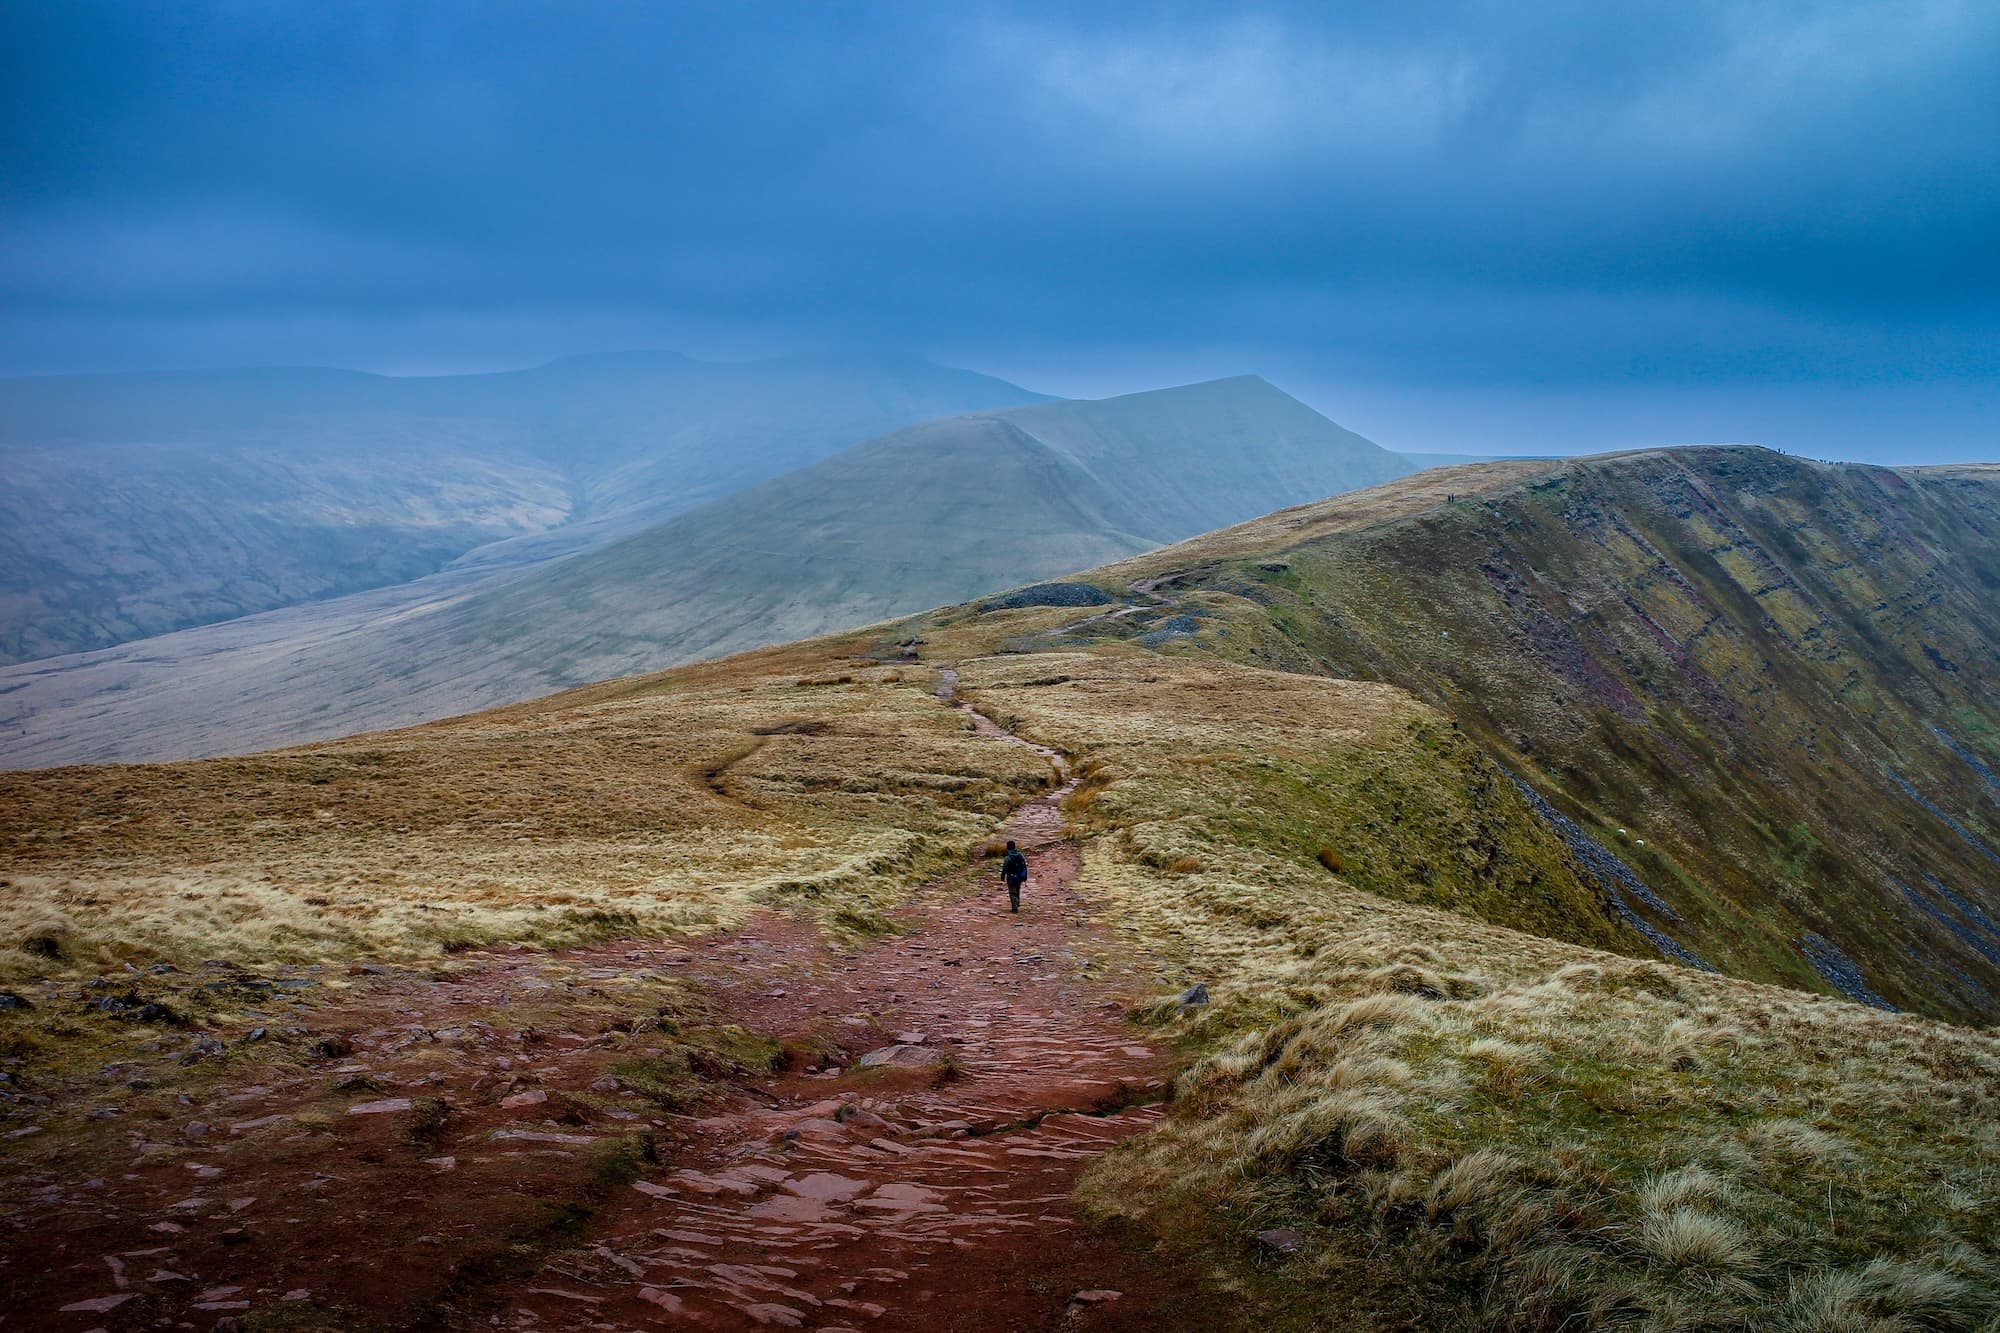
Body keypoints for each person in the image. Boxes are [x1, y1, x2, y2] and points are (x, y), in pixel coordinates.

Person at [1000, 840, 1028, 913]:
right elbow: (1024, 865)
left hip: (1011, 877)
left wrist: (1002, 876)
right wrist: (1025, 876)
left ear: (1007, 847)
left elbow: (1005, 868)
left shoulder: (1008, 857)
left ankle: (1014, 907)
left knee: (1012, 892)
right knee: (1017, 889)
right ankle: (1017, 902)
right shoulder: (1020, 855)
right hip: (1019, 876)